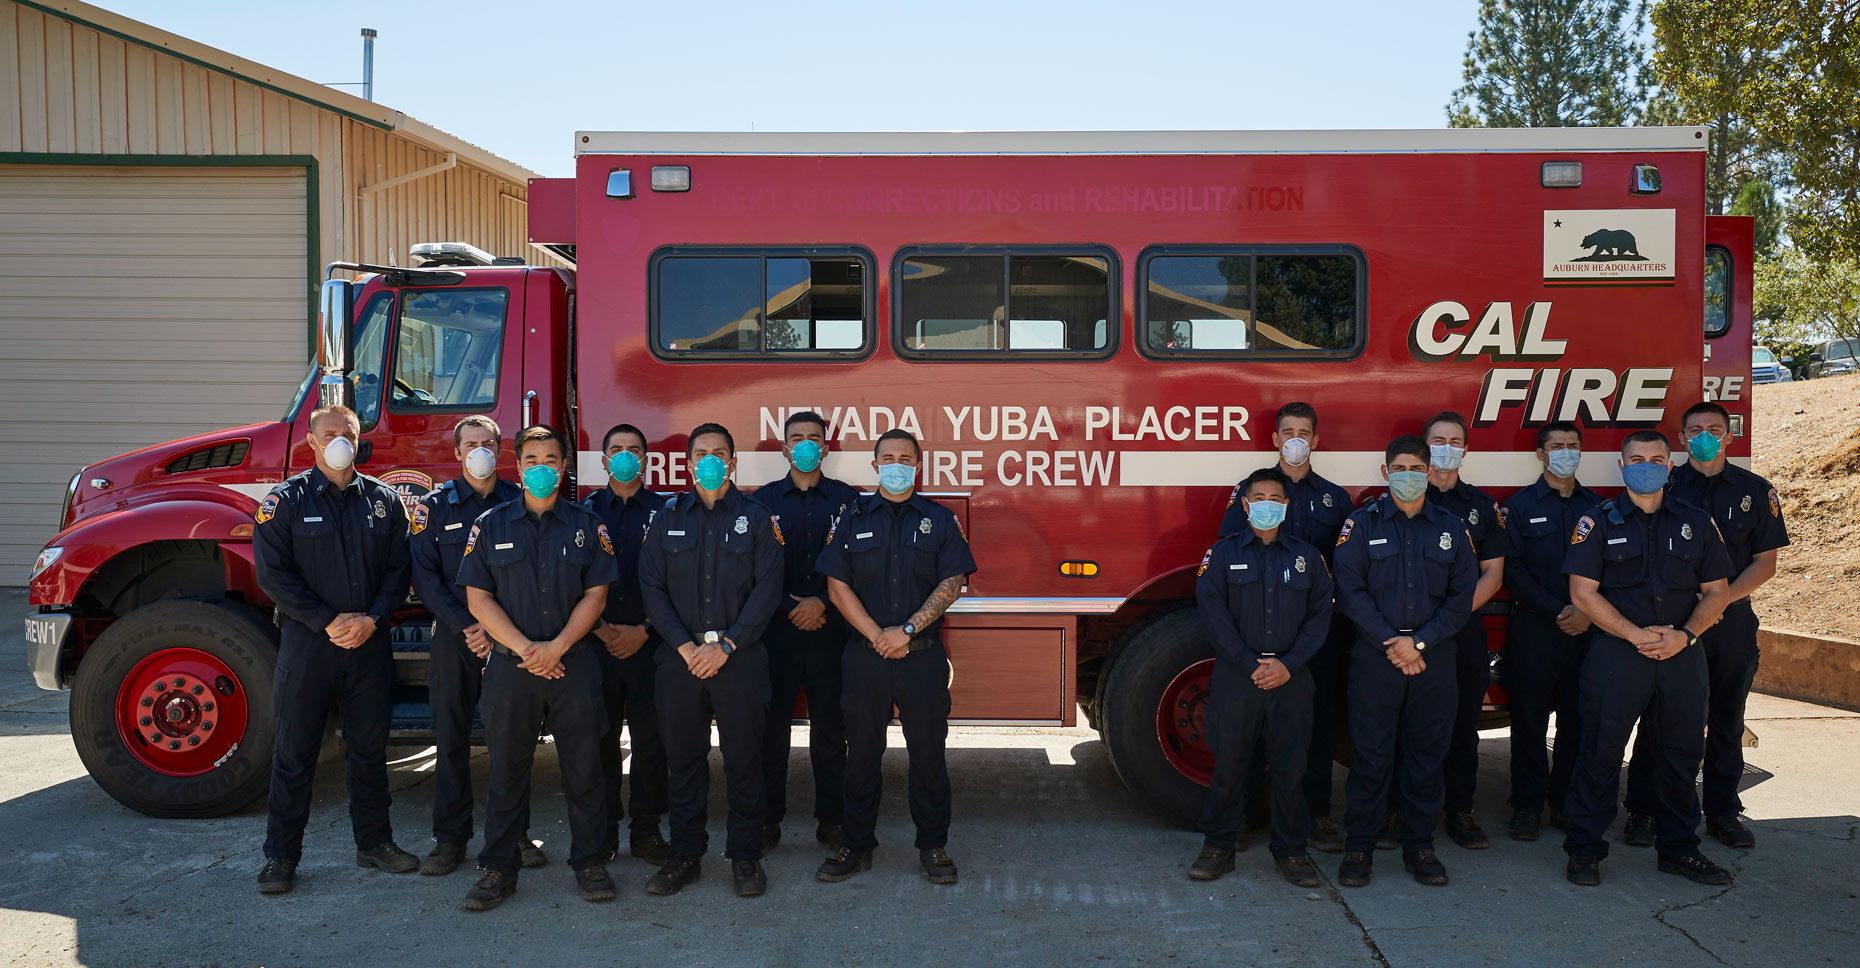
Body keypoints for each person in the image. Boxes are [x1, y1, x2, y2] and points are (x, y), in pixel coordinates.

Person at [252, 404, 418, 894]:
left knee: (369, 751)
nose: (339, 439)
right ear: (311, 442)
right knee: (295, 752)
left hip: (368, 644)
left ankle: (375, 844)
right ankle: (281, 857)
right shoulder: (284, 502)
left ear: (359, 438)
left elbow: (398, 570)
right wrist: (328, 621)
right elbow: (273, 575)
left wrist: (370, 618)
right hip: (309, 646)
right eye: (330, 433)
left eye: (347, 432)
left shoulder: (385, 503)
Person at [454, 424, 619, 911]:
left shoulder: (588, 525)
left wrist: (559, 646)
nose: (542, 468)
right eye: (532, 460)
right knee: (506, 771)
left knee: (585, 769)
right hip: (512, 668)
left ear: (564, 467)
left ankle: (590, 862)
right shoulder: (490, 525)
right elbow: (478, 598)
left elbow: (597, 594)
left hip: (575, 666)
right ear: (518, 466)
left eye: (551, 459)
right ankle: (497, 869)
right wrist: (529, 649)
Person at [1561, 429, 1734, 887]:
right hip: (1618, 655)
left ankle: (1678, 848)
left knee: (1680, 754)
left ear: (1669, 466)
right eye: (1636, 458)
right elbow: (1582, 592)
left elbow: (1718, 592)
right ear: (1621, 466)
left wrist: (1687, 635)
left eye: (1656, 458)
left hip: (1682, 655)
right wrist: (1635, 634)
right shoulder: (1595, 522)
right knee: (1599, 750)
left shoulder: (1697, 522)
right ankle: (1584, 849)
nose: (1646, 465)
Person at [814, 429, 978, 886]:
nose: (897, 463)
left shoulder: (940, 520)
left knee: (928, 755)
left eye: (906, 457)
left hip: (921, 656)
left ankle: (934, 846)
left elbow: (953, 583)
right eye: (888, 457)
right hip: (865, 657)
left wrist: (905, 631)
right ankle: (856, 845)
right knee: (861, 754)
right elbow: (836, 585)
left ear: (918, 465)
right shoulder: (851, 517)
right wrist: (878, 636)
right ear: (874, 466)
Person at [1622, 402, 1788, 851]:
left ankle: (1722, 811)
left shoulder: (1756, 491)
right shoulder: (1665, 487)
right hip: (1671, 626)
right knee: (1658, 720)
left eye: (1714, 429)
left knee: (1726, 718)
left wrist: (1719, 601)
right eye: (1695, 430)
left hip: (1730, 624)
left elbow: (1765, 562)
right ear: (1681, 438)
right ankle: (1642, 808)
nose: (1705, 437)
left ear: (1730, 435)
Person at [638, 423, 785, 898]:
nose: (710, 459)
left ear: (733, 461)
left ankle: (745, 858)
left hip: (739, 660)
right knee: (684, 762)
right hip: (679, 662)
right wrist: (686, 647)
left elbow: (767, 592)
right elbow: (652, 589)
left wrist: (725, 646)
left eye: (720, 452)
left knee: (744, 762)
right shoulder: (664, 518)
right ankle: (685, 855)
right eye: (702, 452)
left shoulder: (759, 518)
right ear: (687, 461)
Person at [1332, 434, 1478, 887]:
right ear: (1385, 473)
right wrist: (1392, 641)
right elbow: (1349, 591)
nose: (1409, 477)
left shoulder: (1452, 529)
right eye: (1401, 469)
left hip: (1433, 660)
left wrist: (1419, 643)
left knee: (1425, 757)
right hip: (1377, 660)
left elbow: (1461, 598)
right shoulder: (1361, 525)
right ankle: (1359, 847)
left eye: (1418, 469)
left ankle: (1421, 847)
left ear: (1431, 474)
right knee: (1371, 756)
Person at [409, 416, 543, 876]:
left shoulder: (518, 502)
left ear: (501, 450)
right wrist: (469, 624)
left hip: (510, 642)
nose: (479, 450)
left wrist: (498, 630)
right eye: (471, 444)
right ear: (457, 453)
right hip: (455, 638)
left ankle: (516, 834)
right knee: (450, 741)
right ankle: (450, 840)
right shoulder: (434, 507)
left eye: (488, 443)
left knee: (512, 741)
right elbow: (426, 577)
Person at [1217, 402, 1354, 852]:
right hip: (1257, 634)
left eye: (1304, 432)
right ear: (1275, 439)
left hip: (1314, 638)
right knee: (1250, 730)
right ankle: (1245, 817)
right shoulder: (1250, 492)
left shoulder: (1336, 499)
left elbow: (1346, 570)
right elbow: (1225, 557)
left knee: (1313, 727)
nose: (1296, 439)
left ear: (1315, 440)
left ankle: (1316, 815)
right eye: (1287, 431)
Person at [1188, 467, 1334, 888]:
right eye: (1259, 498)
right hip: (1240, 677)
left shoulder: (1307, 557)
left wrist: (1288, 664)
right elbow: (1213, 616)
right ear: (1246, 504)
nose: (1267, 504)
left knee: (1291, 768)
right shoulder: (1222, 554)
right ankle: (1218, 847)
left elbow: (1320, 615)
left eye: (1276, 498)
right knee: (1230, 766)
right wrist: (1251, 663)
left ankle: (1291, 852)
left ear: (1286, 506)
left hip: (1292, 678)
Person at [752, 411, 861, 850]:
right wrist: (789, 606)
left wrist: (822, 604)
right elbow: (753, 569)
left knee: (831, 730)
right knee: (770, 730)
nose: (805, 445)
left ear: (826, 447)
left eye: (813, 438)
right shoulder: (761, 502)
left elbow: (857, 566)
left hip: (831, 631)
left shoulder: (848, 501)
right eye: (796, 438)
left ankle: (831, 819)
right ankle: (766, 820)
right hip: (775, 633)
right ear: (783, 448)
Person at [1498, 421, 1602, 842]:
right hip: (1535, 630)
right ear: (1540, 454)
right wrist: (1559, 610)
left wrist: (1586, 613)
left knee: (1578, 724)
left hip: (1587, 633)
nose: (1565, 452)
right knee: (1528, 724)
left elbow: (1609, 567)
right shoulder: (1517, 507)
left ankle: (1564, 804)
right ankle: (1526, 807)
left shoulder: (1598, 508)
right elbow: (1513, 571)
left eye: (1572, 446)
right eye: (1556, 446)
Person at [1416, 411, 1512, 851]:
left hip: (1462, 635)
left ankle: (1461, 810)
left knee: (1461, 727)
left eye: (1455, 440)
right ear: (1424, 446)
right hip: (1411, 637)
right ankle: (1402, 810)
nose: (1447, 447)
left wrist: (1450, 617)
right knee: (1409, 726)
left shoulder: (1480, 507)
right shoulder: (1405, 499)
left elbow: (1492, 573)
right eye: (1438, 439)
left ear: (1466, 449)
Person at [583, 423, 672, 866]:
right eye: (616, 448)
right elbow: (570, 581)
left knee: (651, 740)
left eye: (633, 449)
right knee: (599, 738)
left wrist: (645, 629)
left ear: (646, 459)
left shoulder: (668, 511)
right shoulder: (583, 512)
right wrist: (601, 629)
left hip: (650, 644)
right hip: (597, 644)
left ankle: (647, 829)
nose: (624, 455)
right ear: (603, 460)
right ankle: (604, 830)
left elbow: (679, 581)